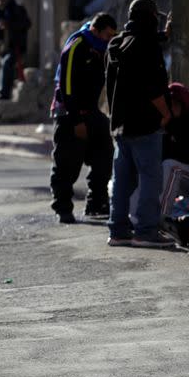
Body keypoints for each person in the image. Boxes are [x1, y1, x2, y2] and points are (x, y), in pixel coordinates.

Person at [105, 0, 174, 249]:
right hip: (145, 124)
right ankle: (146, 231)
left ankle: (118, 230)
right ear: (152, 17)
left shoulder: (116, 44)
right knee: (150, 179)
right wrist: (166, 113)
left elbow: (137, 46)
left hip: (120, 125)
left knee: (122, 180)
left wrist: (163, 36)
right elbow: (154, 88)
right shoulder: (147, 46)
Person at [49, 13, 118, 223]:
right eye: (107, 34)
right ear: (96, 30)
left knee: (104, 154)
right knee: (67, 163)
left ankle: (96, 203)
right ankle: (63, 207)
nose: (109, 39)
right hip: (69, 112)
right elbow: (66, 85)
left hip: (91, 110)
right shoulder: (77, 44)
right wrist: (76, 120)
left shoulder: (101, 48)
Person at [0, 0, 31, 100]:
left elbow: (26, 24)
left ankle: (4, 93)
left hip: (16, 46)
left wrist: (9, 24)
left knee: (7, 64)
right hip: (3, 47)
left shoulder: (18, 10)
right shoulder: (0, 11)